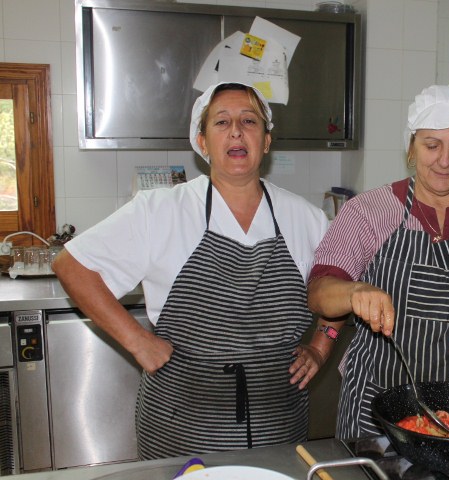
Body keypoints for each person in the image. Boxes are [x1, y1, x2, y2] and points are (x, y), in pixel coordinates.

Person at [52, 81, 339, 458]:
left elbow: (340, 286)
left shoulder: (306, 218)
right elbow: (72, 265)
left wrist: (321, 346)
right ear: (202, 142)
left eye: (249, 121)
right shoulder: (160, 211)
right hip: (181, 428)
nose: (236, 131)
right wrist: (137, 341)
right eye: (221, 122)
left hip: (278, 428)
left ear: (266, 141)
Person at [307, 84, 449, 438]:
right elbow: (319, 293)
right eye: (432, 145)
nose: (445, 160)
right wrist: (354, 292)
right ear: (411, 147)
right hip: (376, 406)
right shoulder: (368, 212)